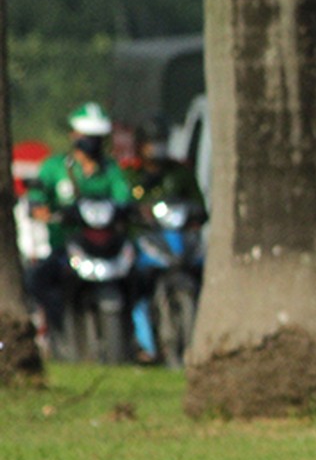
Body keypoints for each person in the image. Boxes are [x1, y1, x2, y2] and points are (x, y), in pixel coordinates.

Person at [25, 102, 133, 354]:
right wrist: (39, 207)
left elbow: (123, 197)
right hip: (66, 247)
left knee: (141, 276)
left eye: (97, 137)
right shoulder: (56, 167)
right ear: (73, 135)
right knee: (37, 280)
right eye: (87, 136)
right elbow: (37, 194)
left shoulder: (111, 169)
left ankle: (135, 339)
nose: (92, 142)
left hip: (105, 246)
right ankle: (57, 335)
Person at [122, 120, 207, 363]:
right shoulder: (131, 174)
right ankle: (141, 340)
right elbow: (122, 203)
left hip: (177, 240)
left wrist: (196, 213)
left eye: (161, 141)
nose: (156, 147)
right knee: (136, 283)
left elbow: (198, 204)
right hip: (147, 241)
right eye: (151, 142)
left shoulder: (179, 172)